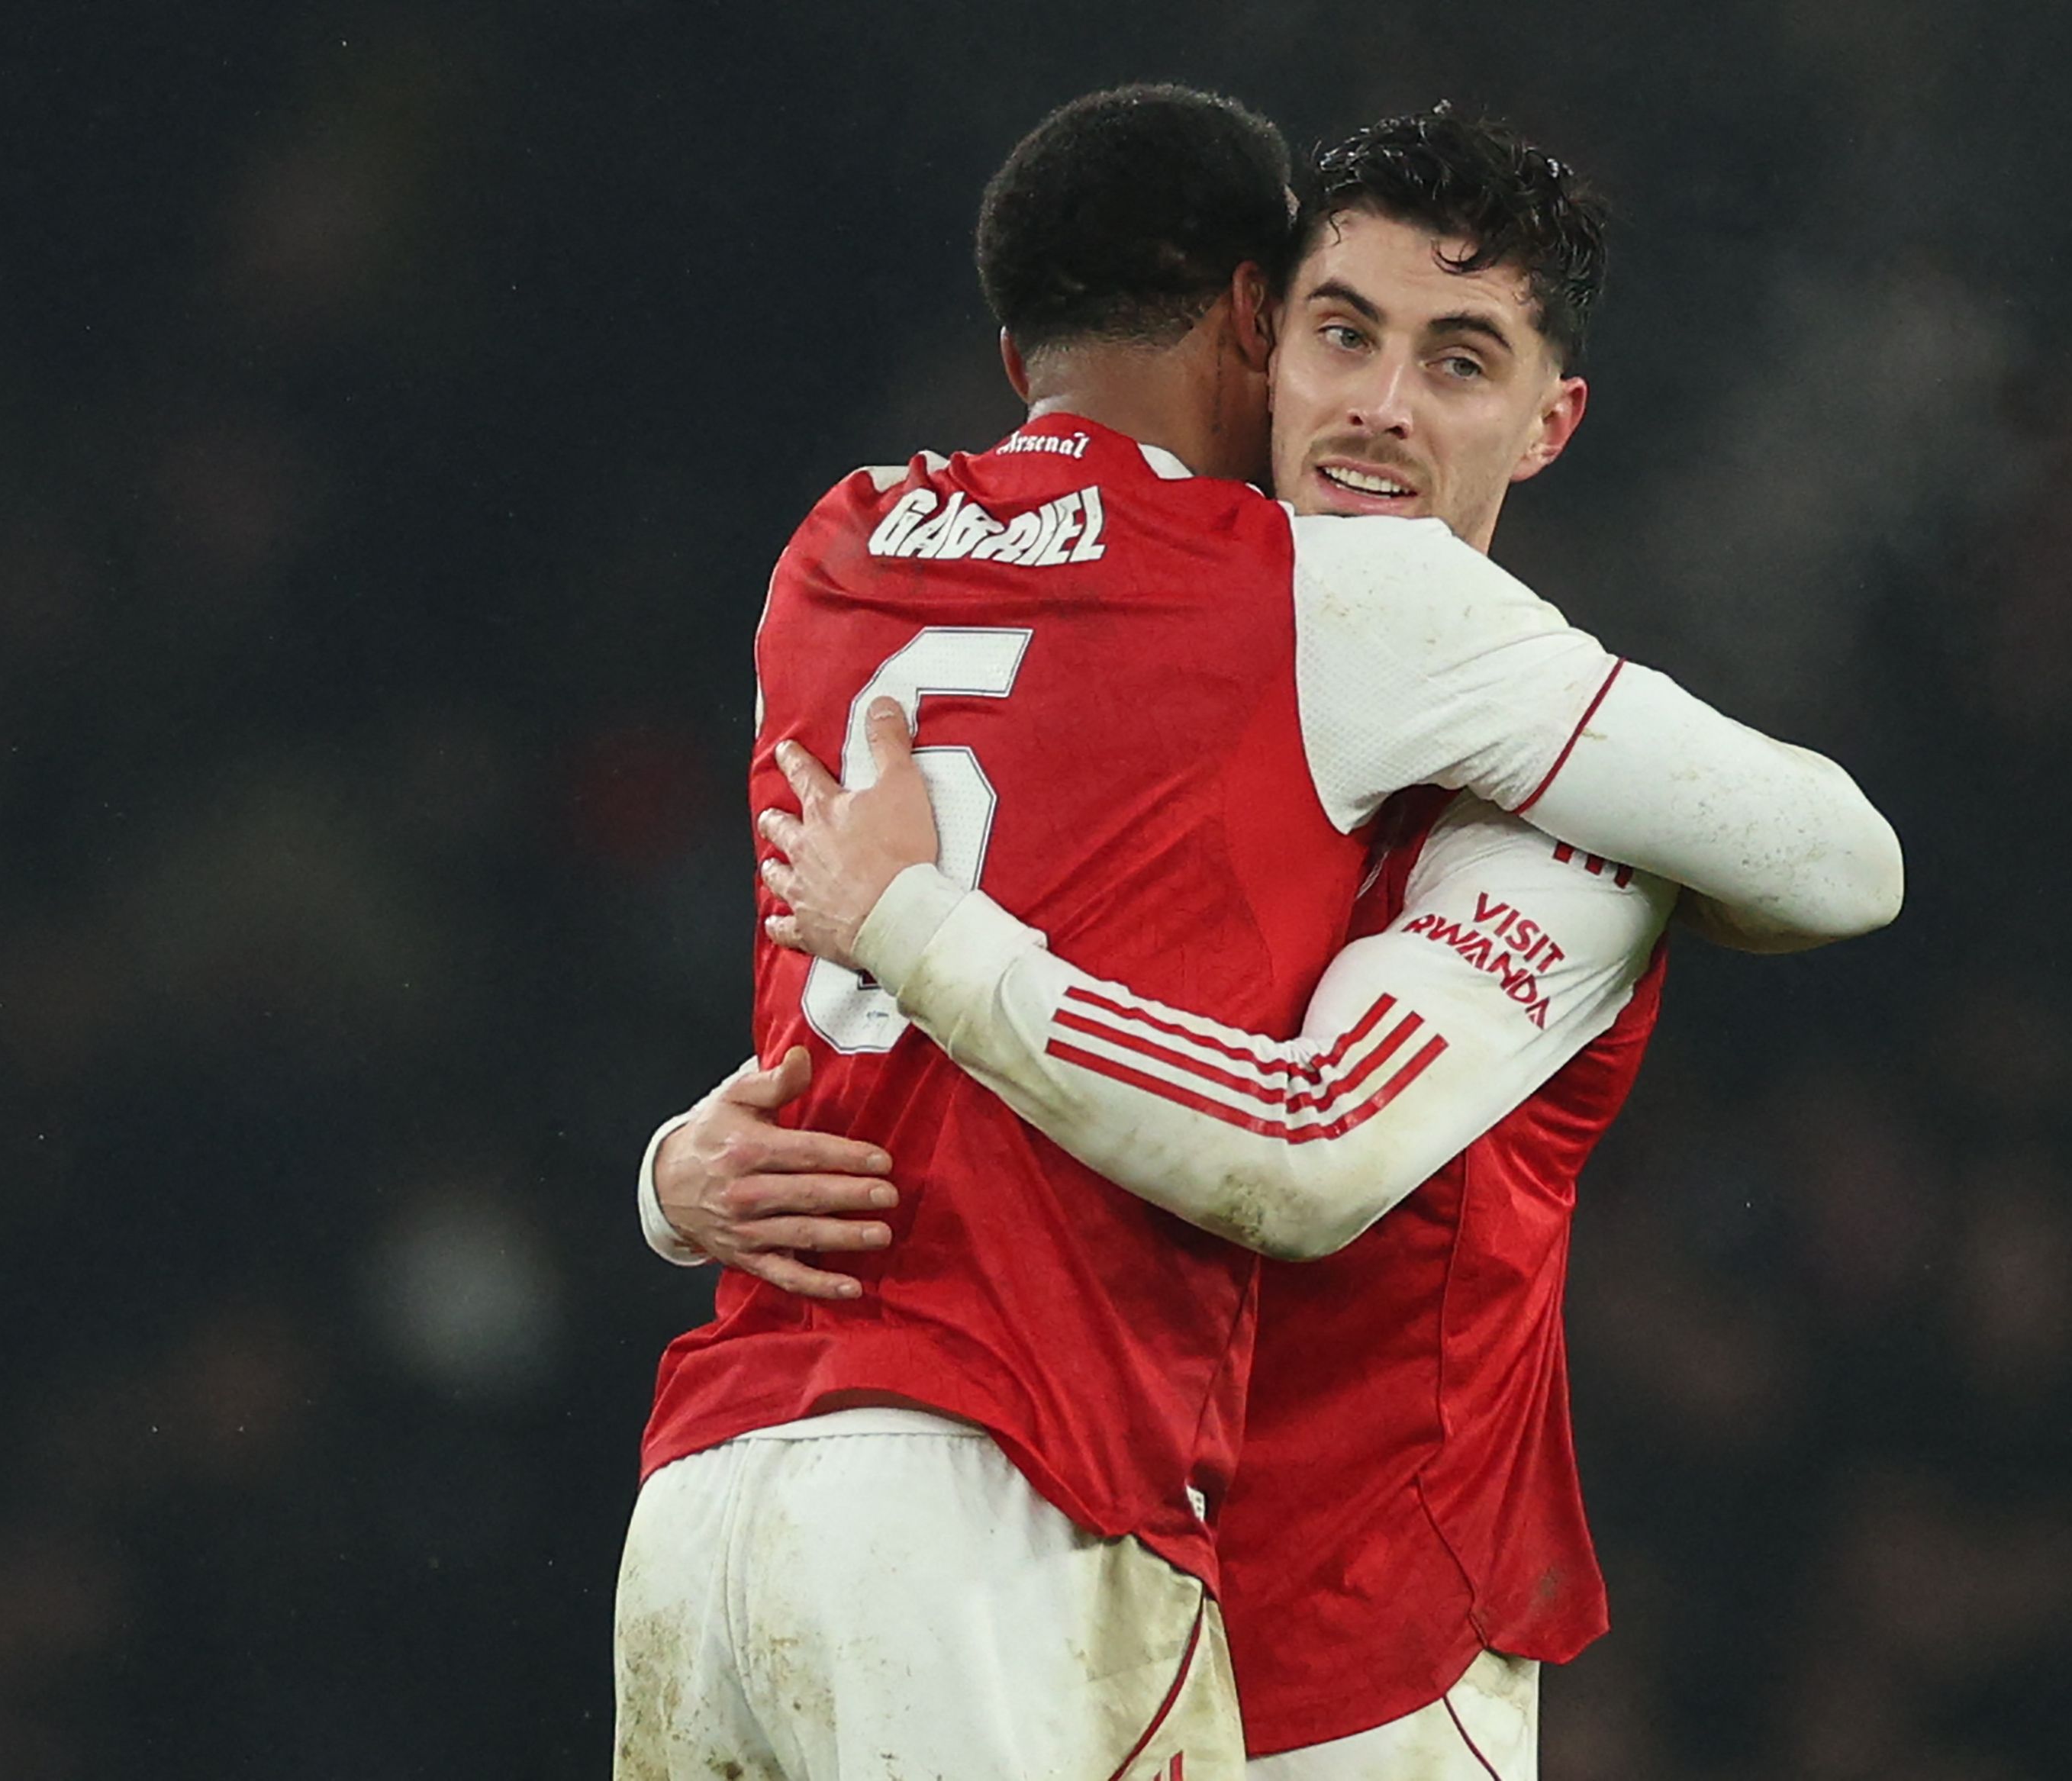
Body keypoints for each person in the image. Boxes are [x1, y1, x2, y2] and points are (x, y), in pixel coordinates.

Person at [615, 87, 1900, 1781]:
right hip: (1076, 1571)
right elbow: (911, 1035)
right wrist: (682, 1167)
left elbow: (1302, 1143)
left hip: (1354, 1679)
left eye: (1454, 362)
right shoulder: (1177, 654)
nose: (1374, 407)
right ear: (1258, 338)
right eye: (1340, 332)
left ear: (1546, 423)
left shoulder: (1560, 820)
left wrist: (913, 924)